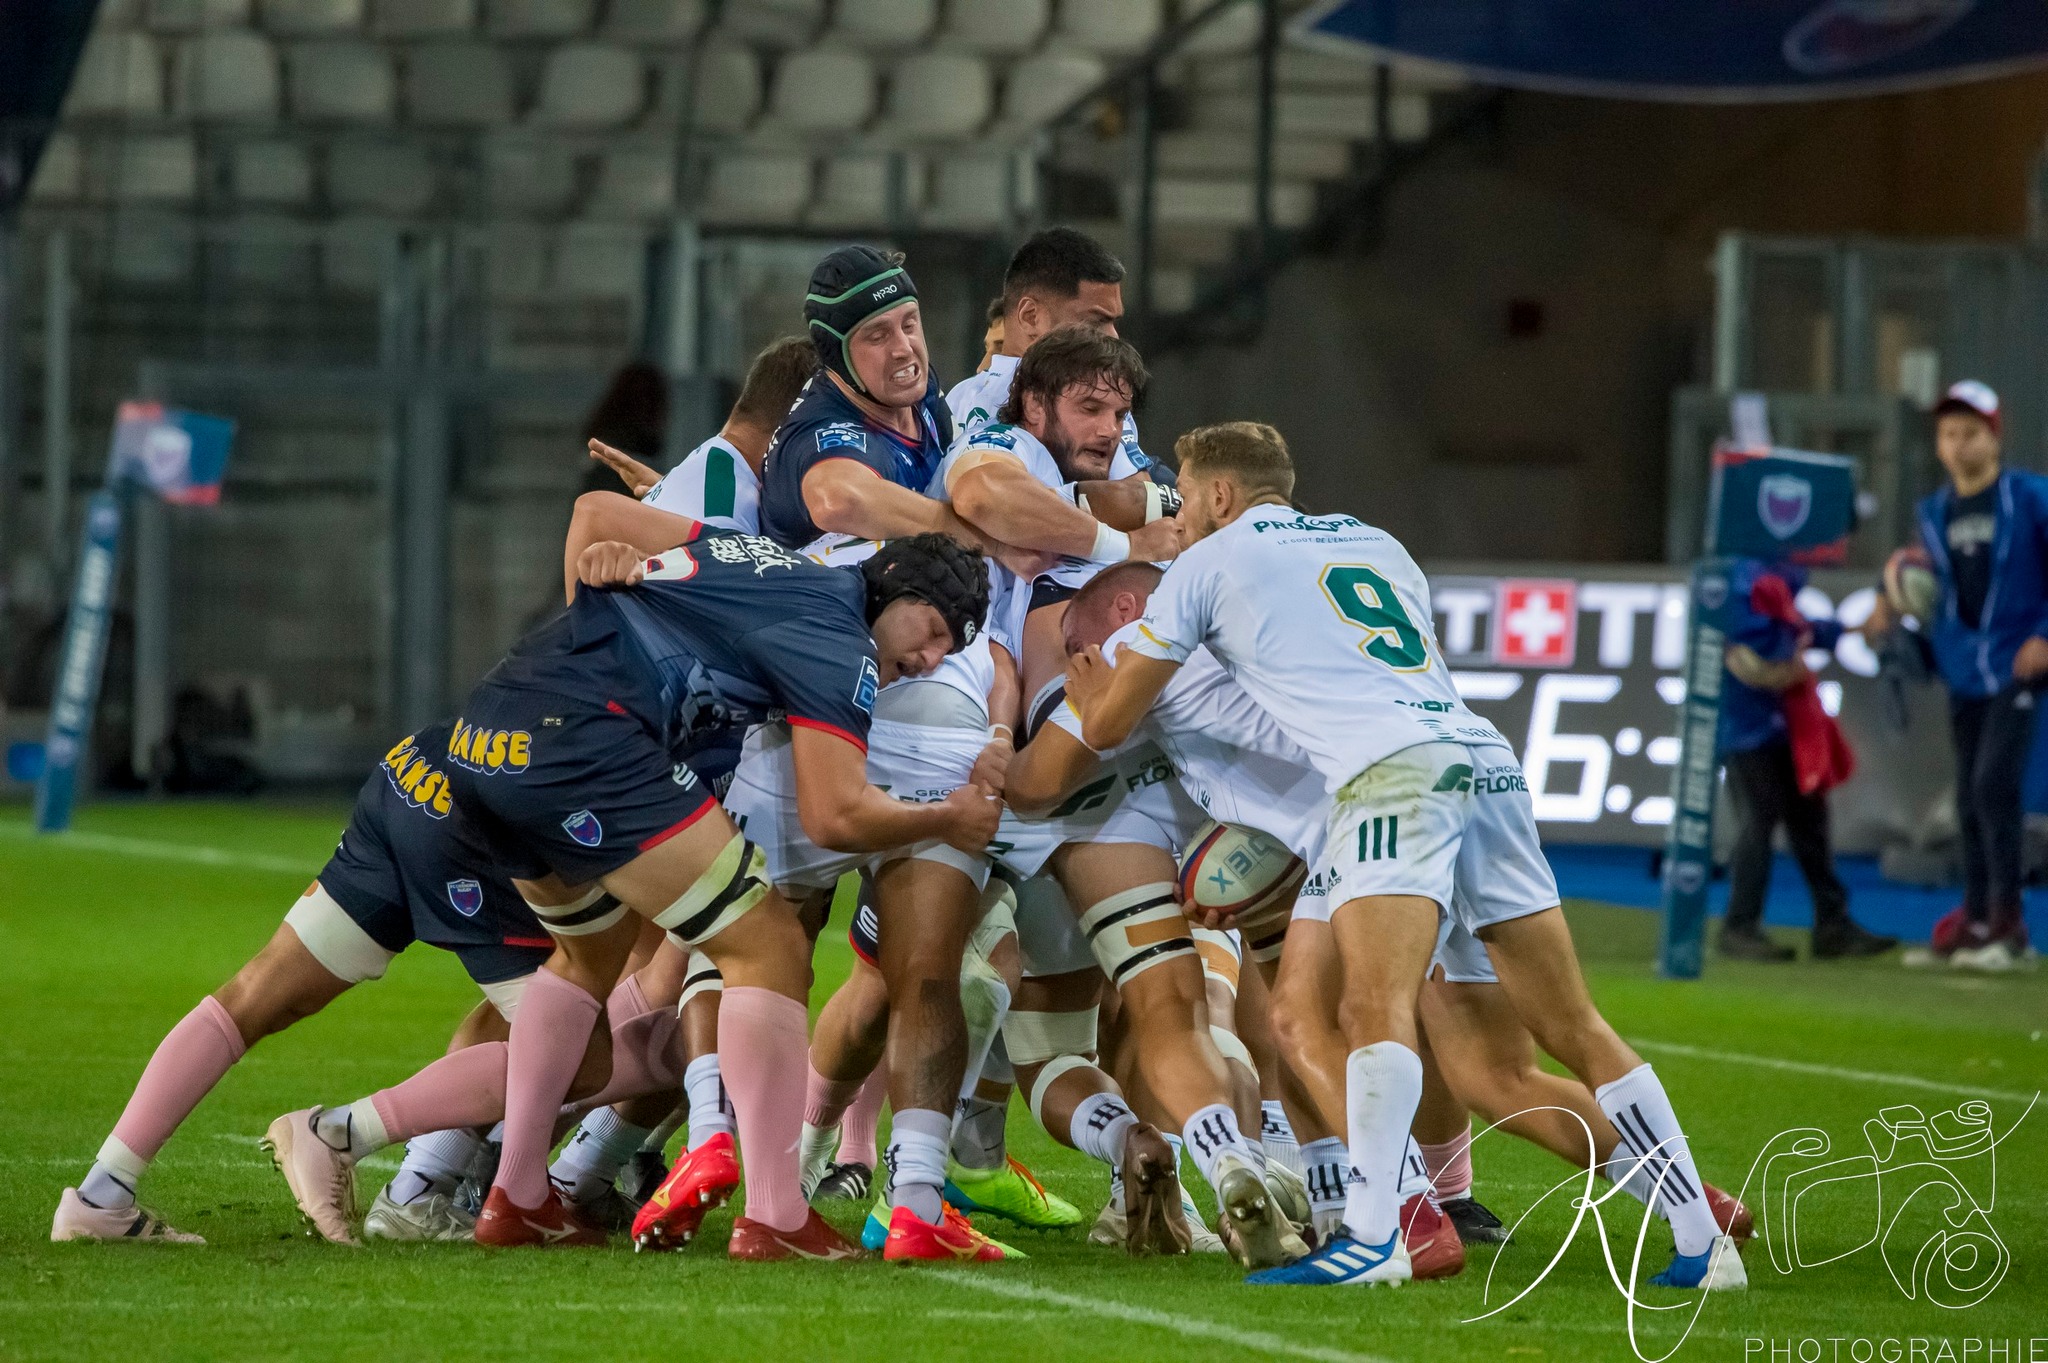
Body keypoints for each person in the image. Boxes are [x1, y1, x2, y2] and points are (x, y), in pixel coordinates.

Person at [1066, 422, 1747, 1291]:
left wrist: (1090, 695)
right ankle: (1701, 1239)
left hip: (1383, 779)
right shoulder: (1376, 541)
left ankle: (1378, 1237)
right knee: (1562, 1024)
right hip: (1481, 760)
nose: (1183, 520)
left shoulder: (1205, 562)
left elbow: (1112, 724)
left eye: (1190, 499)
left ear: (1222, 496)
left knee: (1371, 1009)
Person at [52, 724, 556, 1245]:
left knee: (252, 996)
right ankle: (351, 1141)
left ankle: (100, 1194)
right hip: (476, 810)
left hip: (415, 773)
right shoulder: (624, 680)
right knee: (577, 1035)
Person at [1870, 380, 2048, 970]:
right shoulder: (1934, 512)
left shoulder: (2028, 499)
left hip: (2015, 665)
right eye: (1948, 434)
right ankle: (1975, 919)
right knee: (1971, 800)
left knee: (1994, 789)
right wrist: (1888, 601)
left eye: (1970, 432)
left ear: (1995, 437)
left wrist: (2043, 636)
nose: (1958, 444)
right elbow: (1923, 577)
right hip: (1962, 668)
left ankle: (2009, 925)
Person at [1717, 557, 1897, 961]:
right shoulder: (1740, 573)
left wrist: (1825, 633)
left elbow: (1791, 629)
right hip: (1744, 723)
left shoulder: (1775, 571)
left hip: (1781, 720)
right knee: (1758, 817)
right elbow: (1758, 637)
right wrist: (1794, 642)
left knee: (1809, 819)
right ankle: (1739, 926)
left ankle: (1832, 924)